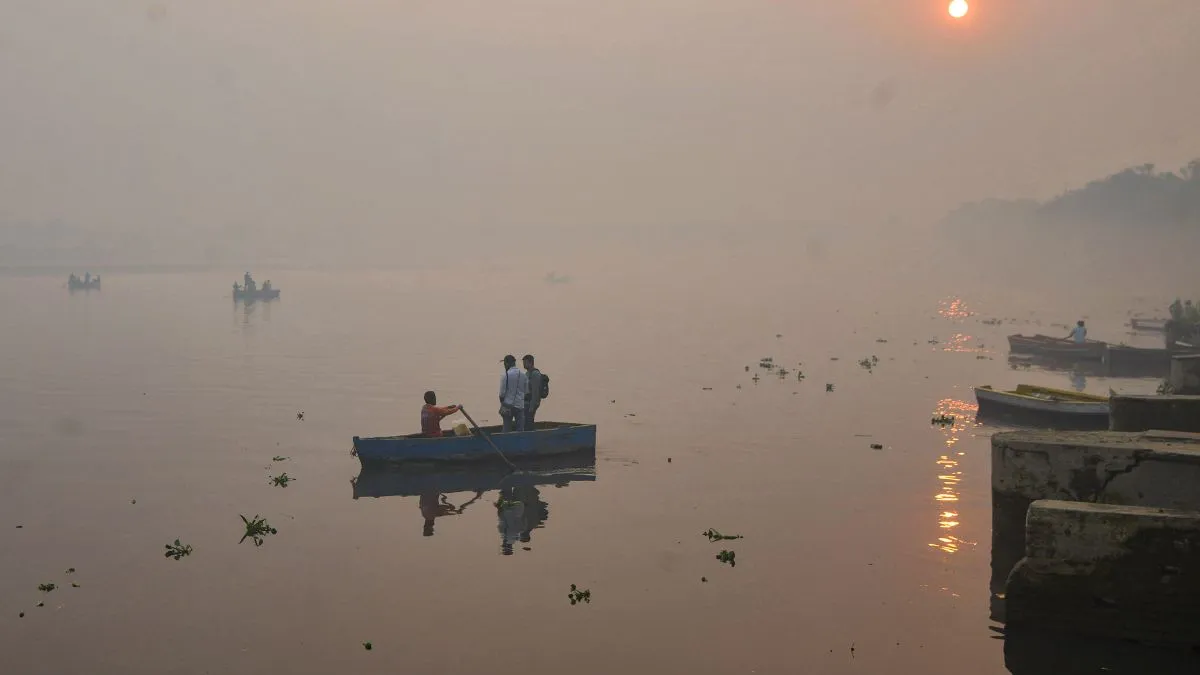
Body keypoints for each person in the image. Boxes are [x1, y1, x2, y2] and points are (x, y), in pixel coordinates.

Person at [498, 355, 528, 432]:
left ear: (507, 363)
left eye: (504, 364)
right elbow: (526, 391)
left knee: (506, 429)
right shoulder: (524, 375)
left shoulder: (505, 375)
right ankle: (520, 439)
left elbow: (502, 394)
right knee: (520, 429)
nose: (504, 366)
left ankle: (506, 440)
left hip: (508, 406)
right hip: (520, 405)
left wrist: (502, 403)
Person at [523, 354, 544, 428]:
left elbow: (535, 391)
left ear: (531, 362)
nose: (523, 364)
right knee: (525, 422)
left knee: (529, 422)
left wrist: (532, 407)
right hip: (525, 403)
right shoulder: (527, 373)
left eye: (525, 362)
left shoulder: (535, 374)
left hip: (530, 403)